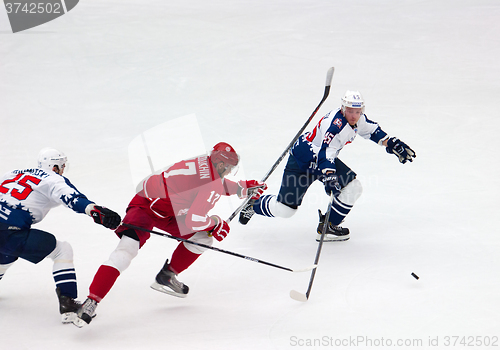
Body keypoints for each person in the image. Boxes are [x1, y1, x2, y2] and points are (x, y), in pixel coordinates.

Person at [74, 142, 267, 327]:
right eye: (230, 167)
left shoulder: (205, 163)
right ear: (221, 163)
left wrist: (241, 188)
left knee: (202, 238)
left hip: (169, 210)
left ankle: (167, 276)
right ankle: (91, 301)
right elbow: (195, 219)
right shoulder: (212, 181)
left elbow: (213, 184)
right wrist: (215, 222)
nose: (230, 171)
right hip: (145, 210)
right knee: (126, 251)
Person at [239, 90, 416, 242]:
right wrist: (329, 176)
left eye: (357, 111)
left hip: (321, 160)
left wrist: (391, 143)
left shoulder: (358, 119)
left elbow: (372, 131)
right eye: (350, 111)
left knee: (353, 188)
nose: (354, 115)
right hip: (303, 159)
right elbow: (326, 153)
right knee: (285, 210)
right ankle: (254, 203)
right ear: (343, 108)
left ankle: (329, 225)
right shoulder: (336, 126)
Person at [0, 148, 121, 323]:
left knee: (6, 253)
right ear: (55, 167)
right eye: (62, 166)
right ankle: (68, 303)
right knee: (62, 250)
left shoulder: (12, 173)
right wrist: (96, 211)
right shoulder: (53, 179)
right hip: (11, 232)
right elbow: (72, 198)